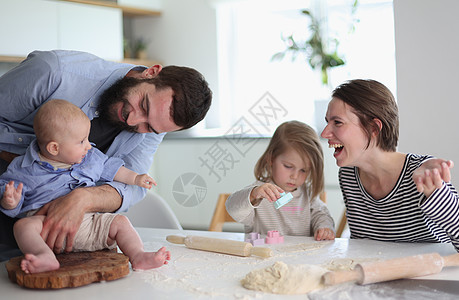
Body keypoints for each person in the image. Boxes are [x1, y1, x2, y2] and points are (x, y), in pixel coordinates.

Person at [0, 50, 212, 259]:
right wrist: (24, 163)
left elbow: (133, 186)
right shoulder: (53, 72)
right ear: (151, 72)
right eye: (143, 105)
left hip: (59, 236)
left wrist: (83, 199)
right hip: (15, 198)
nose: (133, 121)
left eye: (149, 127)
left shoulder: (156, 125)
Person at [0, 100, 171, 273]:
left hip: (89, 225)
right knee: (23, 227)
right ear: (54, 148)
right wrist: (10, 201)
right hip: (47, 229)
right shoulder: (23, 168)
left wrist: (136, 178)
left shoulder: (90, 157)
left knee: (121, 222)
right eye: (82, 141)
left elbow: (112, 168)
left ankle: (138, 255)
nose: (88, 145)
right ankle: (44, 256)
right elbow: (10, 192)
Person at [321, 79, 459, 251]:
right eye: (327, 122)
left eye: (337, 122)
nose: (325, 133)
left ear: (373, 128)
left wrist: (436, 194)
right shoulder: (348, 175)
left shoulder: (424, 174)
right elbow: (361, 248)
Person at [226, 121, 335, 240]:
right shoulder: (259, 193)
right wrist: (252, 195)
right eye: (288, 166)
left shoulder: (307, 194)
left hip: (302, 256)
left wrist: (324, 227)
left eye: (303, 170)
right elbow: (233, 209)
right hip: (264, 255)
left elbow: (322, 215)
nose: (295, 176)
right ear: (271, 158)